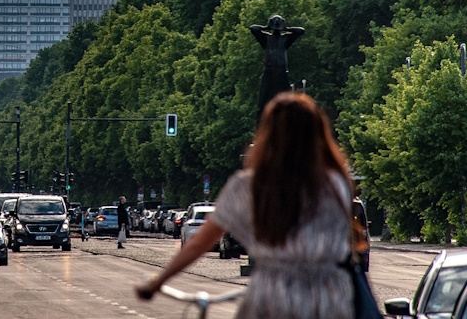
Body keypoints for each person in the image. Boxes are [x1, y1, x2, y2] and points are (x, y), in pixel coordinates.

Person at [135, 93, 355, 319]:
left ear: (269, 134)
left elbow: (199, 243)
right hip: (330, 300)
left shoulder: (248, 186)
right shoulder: (337, 184)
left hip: (272, 300)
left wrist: (157, 282)